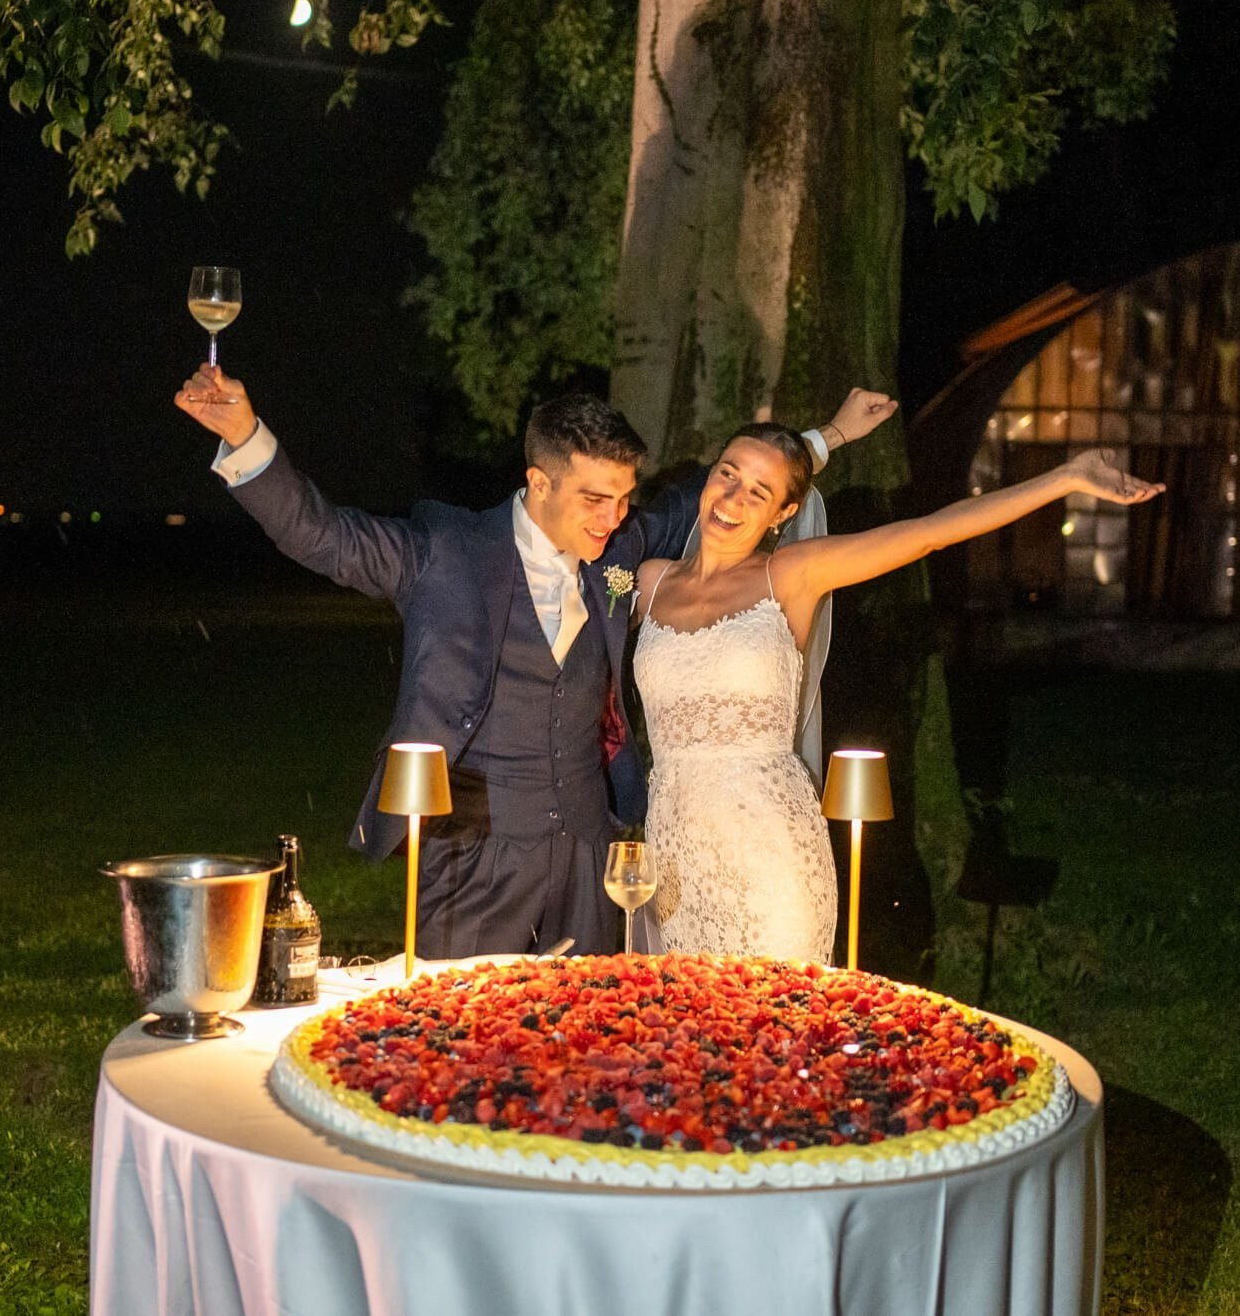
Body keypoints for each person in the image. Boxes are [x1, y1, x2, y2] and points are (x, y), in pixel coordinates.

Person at [173, 366, 896, 958]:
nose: (614, 518)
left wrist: (828, 434)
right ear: (539, 482)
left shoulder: (617, 553)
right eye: (595, 498)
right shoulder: (443, 553)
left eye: (622, 499)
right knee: (465, 1055)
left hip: (590, 856)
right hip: (473, 858)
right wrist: (245, 437)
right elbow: (320, 533)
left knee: (588, 1053)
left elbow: (721, 493)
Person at [632, 422, 1164, 963]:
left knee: (779, 1027)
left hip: (768, 850)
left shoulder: (791, 573)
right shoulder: (648, 583)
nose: (732, 499)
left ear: (783, 515)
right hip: (677, 849)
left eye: (759, 492)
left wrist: (1063, 478)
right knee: (688, 1031)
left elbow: (930, 532)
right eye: (728, 474)